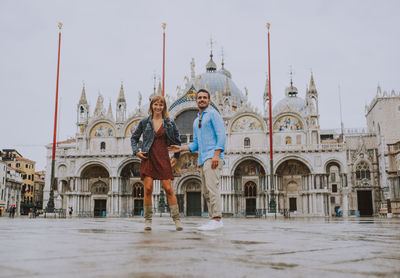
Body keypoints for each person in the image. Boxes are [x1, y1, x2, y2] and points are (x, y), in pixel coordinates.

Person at [169, 89, 226, 231]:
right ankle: (213, 220)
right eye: (199, 98)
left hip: (212, 157)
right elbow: (196, 144)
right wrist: (180, 148)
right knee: (206, 192)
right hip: (201, 159)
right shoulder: (196, 121)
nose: (202, 100)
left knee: (213, 189)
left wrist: (216, 155)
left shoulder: (213, 114)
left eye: (204, 98)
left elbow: (221, 135)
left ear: (209, 100)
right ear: (196, 101)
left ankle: (217, 219)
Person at [131, 95, 183, 231]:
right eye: (156, 104)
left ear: (164, 107)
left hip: (163, 157)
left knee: (168, 188)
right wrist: (136, 151)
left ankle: (177, 220)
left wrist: (176, 156)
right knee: (148, 189)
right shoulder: (144, 122)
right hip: (148, 157)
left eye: (161, 105)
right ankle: (148, 220)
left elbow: (177, 141)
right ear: (151, 106)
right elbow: (134, 138)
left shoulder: (170, 123)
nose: (158, 107)